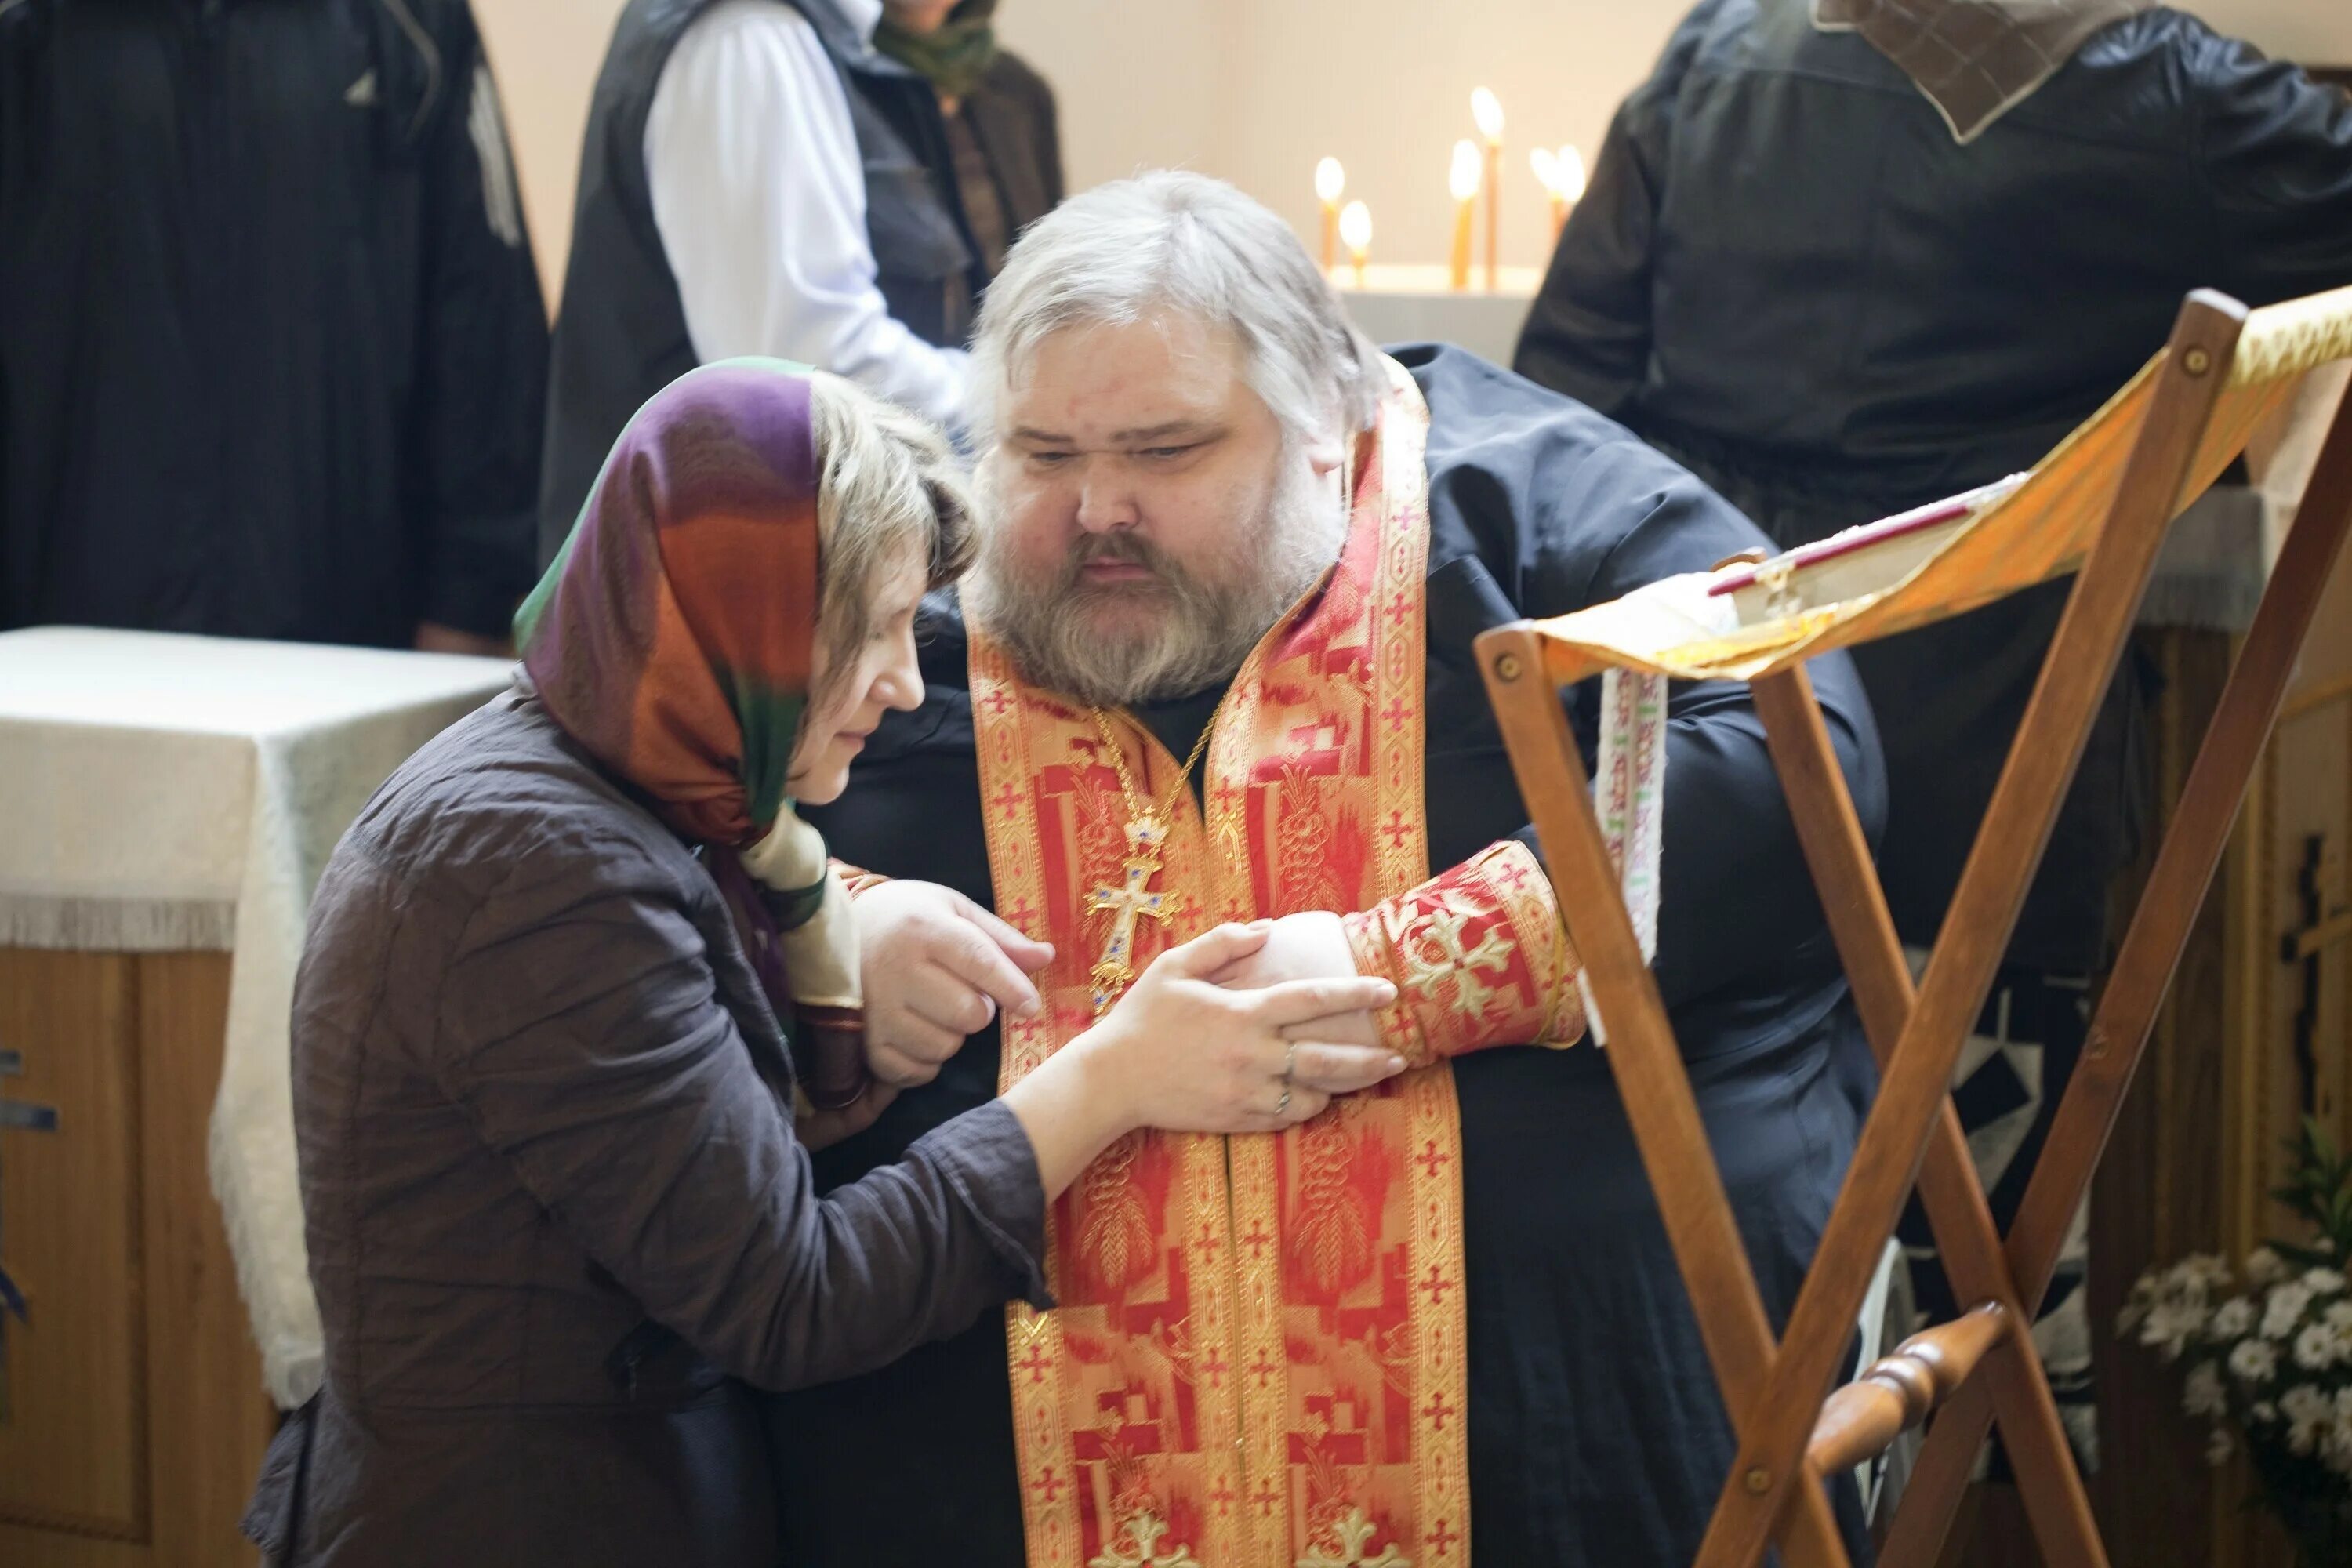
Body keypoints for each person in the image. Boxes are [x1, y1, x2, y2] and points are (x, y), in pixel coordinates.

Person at [772, 172, 1889, 1568]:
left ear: (1329, 430)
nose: (1092, 510)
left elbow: (1800, 746)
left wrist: (1394, 970)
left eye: (1167, 452)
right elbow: (647, 791)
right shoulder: (925, 552)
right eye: (1043, 454)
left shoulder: (1533, 509)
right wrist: (834, 936)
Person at [237, 361, 1403, 1565]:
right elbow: (791, 1299)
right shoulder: (536, 870)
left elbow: (652, 1157)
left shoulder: (606, 772)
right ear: (758, 616)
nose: (906, 685)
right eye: (883, 627)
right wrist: (1108, 1079)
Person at [1512, 0, 2352, 1461]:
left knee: (1734, 1273)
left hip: (1704, 765)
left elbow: (1563, 394)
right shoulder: (2165, 90)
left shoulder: (1724, 51)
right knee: (2000, 1287)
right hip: (1979, 766)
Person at [0, 0, 546, 653]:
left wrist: (469, 618)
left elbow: (485, 338)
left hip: (347, 657)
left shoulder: (411, 24)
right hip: (52, 665)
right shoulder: (26, 31)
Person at [538, 0, 1061, 565]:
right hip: (710, 587)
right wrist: (1034, 410)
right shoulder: (751, 36)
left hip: (827, 566)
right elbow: (807, 370)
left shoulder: (996, 86)